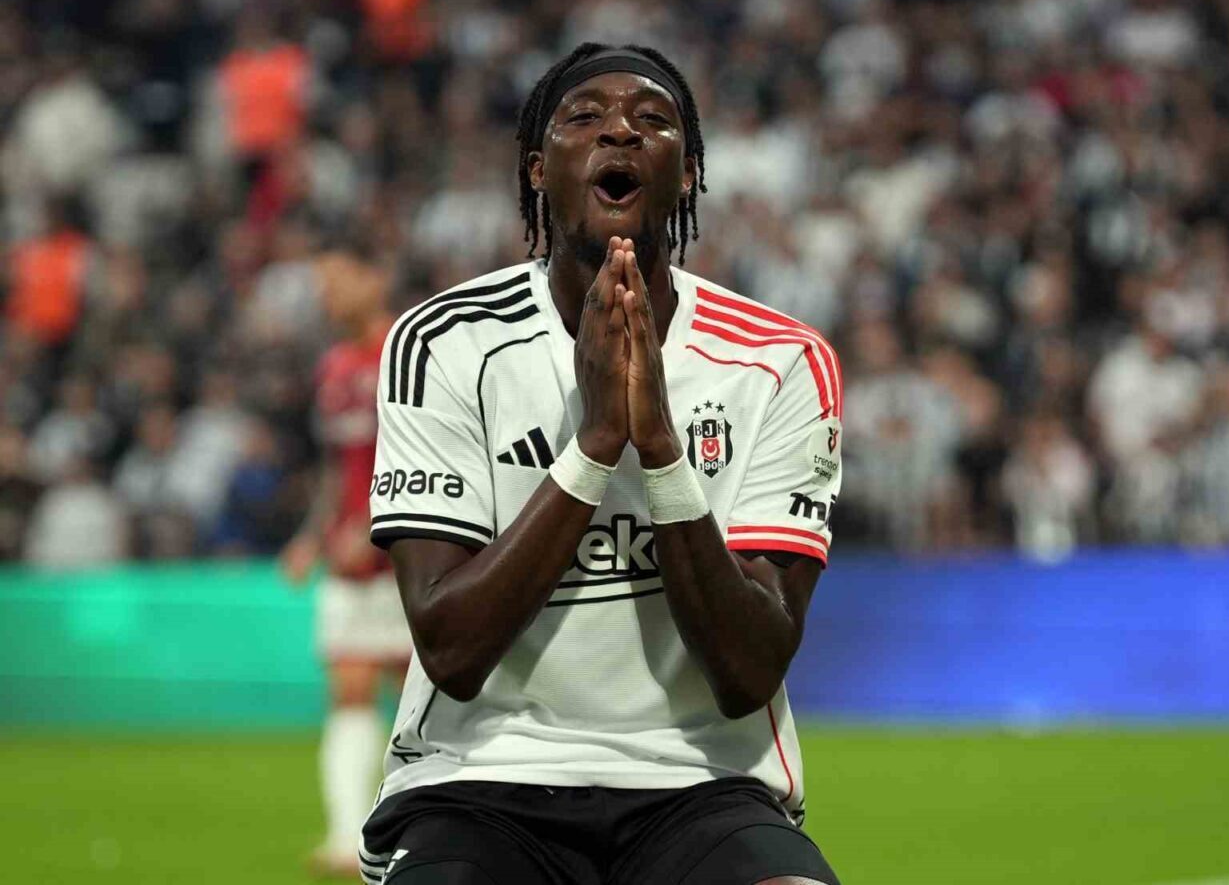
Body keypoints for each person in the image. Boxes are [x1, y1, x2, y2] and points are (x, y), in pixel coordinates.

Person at [360, 44, 844, 885]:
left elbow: (749, 671)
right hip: (478, 781)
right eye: (584, 117)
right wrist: (592, 447)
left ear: (686, 175)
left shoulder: (780, 361)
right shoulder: (444, 343)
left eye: (652, 120)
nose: (620, 130)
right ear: (538, 169)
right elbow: (452, 647)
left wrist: (658, 448)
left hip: (703, 784)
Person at [280, 241, 412, 878]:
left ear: (374, 277)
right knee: (350, 691)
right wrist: (312, 534)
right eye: (320, 286)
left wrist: (377, 521)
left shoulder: (407, 352)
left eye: (336, 281)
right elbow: (337, 469)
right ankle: (345, 837)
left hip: (408, 558)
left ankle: (418, 832)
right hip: (346, 561)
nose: (325, 297)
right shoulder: (333, 367)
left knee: (420, 701)